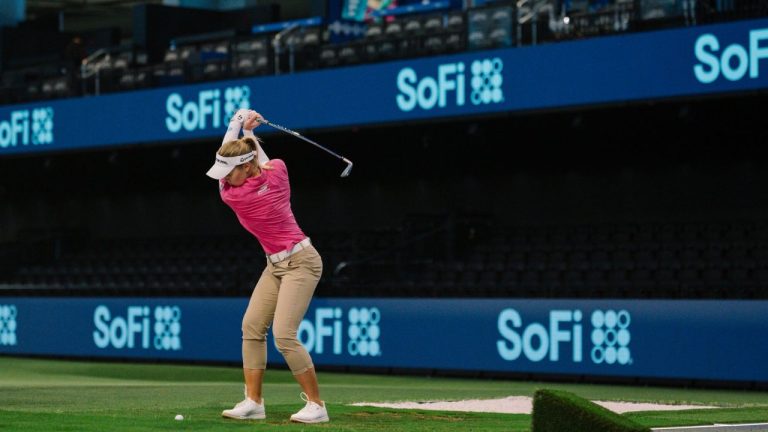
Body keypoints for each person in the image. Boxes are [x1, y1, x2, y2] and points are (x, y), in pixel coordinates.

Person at [206, 109, 328, 424]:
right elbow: (259, 161)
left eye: (228, 173)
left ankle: (317, 405)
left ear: (245, 169)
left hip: (301, 262)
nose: (223, 179)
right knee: (251, 326)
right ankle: (253, 401)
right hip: (275, 265)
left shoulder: (234, 195)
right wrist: (245, 132)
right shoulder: (278, 171)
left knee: (284, 335)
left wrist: (237, 126)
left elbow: (250, 158)